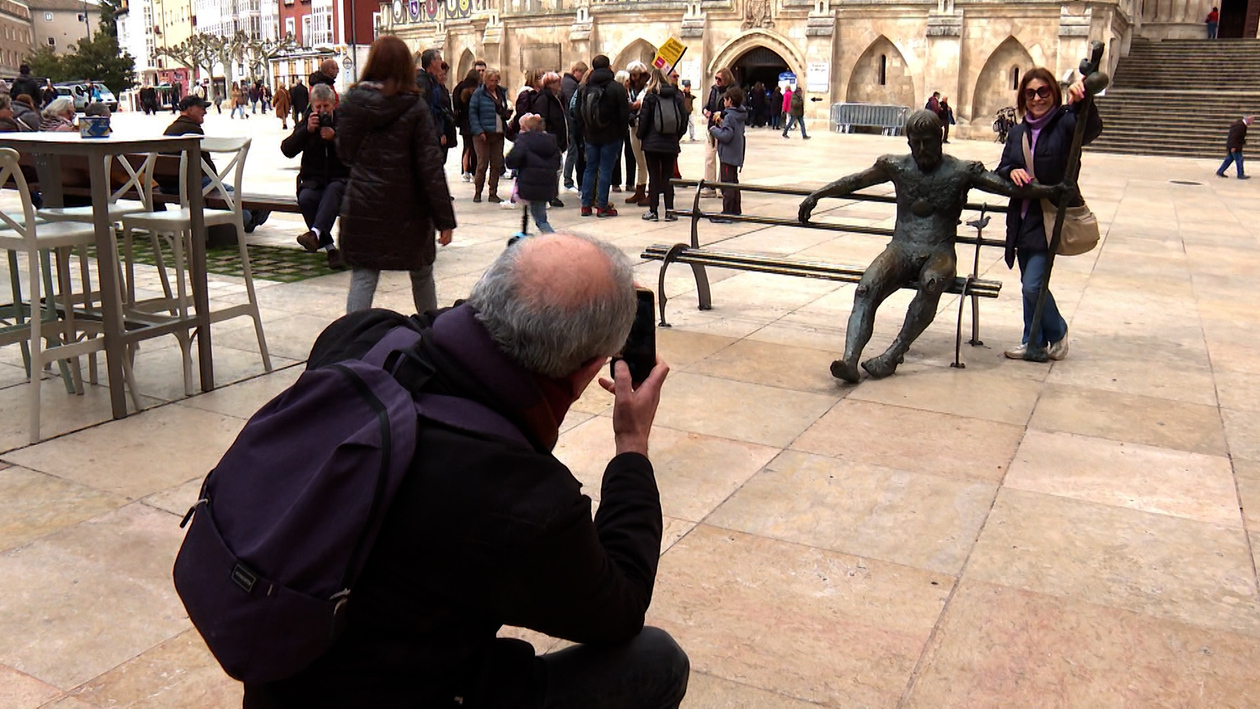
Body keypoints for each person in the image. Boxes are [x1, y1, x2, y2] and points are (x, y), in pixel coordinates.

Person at [241, 232, 687, 709]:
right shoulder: (522, 497)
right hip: (397, 695)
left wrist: (530, 295)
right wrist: (632, 444)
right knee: (656, 661)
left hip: (278, 676)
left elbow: (437, 328)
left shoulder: (357, 337)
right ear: (587, 371)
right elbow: (620, 605)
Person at [800, 109, 1065, 381]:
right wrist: (818, 194)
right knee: (866, 288)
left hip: (940, 252)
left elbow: (1006, 188)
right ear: (908, 142)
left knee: (931, 282)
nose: (922, 149)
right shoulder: (896, 166)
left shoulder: (961, 171)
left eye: (928, 142)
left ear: (940, 138)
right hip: (901, 248)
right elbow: (856, 180)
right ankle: (849, 360)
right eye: (916, 143)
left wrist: (1052, 190)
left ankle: (893, 354)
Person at [336, 35, 456, 315]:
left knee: (364, 275)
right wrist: (444, 220)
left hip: (364, 204)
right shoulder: (415, 107)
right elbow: (430, 167)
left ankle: (352, 334)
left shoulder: (353, 103)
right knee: (422, 273)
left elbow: (345, 154)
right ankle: (430, 329)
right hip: (409, 208)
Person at [995, 68, 1102, 361]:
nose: (1037, 98)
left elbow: (1089, 130)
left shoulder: (1065, 123)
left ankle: (1057, 331)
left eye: (1043, 91)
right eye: (1030, 93)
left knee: (1033, 285)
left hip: (1050, 217)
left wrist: (1084, 102)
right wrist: (1011, 170)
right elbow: (1003, 166)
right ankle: (1032, 341)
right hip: (1022, 220)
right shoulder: (1018, 132)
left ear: (1053, 93)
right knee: (1029, 285)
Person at [163, 96, 270, 233]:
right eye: (201, 108)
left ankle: (253, 215)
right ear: (190, 109)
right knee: (230, 194)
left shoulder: (170, 129)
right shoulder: (192, 130)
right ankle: (249, 218)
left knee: (230, 191)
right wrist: (215, 180)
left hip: (169, 185)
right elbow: (206, 164)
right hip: (189, 185)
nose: (205, 111)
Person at [284, 83, 350, 270]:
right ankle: (329, 248)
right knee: (306, 198)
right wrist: (306, 131)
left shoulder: (344, 121)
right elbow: (287, 150)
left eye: (326, 106)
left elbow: (355, 152)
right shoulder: (308, 122)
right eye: (318, 107)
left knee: (333, 190)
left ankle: (315, 235)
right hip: (313, 181)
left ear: (333, 104)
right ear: (312, 107)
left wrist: (335, 138)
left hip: (341, 180)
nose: (322, 111)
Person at [578, 54, 631, 218]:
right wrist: (621, 134)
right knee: (606, 170)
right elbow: (624, 114)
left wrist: (584, 131)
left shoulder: (585, 88)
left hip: (591, 135)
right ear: (609, 67)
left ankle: (586, 205)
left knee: (590, 168)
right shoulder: (616, 88)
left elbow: (578, 112)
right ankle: (602, 206)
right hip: (611, 135)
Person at [637, 68, 686, 222]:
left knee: (654, 177)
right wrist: (676, 136)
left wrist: (641, 136)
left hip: (652, 144)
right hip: (670, 143)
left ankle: (653, 211)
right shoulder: (676, 96)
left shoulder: (650, 96)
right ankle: (670, 211)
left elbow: (644, 120)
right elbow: (683, 120)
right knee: (668, 177)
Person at [505, 113, 561, 234]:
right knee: (540, 215)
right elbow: (557, 163)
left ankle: (555, 240)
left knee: (540, 220)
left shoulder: (524, 140)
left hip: (530, 184)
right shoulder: (551, 142)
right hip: (547, 184)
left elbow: (512, 160)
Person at [468, 68, 511, 203]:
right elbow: (473, 113)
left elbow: (502, 109)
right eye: (491, 80)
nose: (494, 83)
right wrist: (479, 130)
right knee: (482, 164)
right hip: (483, 134)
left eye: (496, 80)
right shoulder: (478, 94)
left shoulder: (501, 93)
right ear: (486, 80)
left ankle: (493, 192)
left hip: (498, 132)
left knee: (496, 164)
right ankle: (478, 191)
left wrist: (506, 114)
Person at [531, 71, 569, 208]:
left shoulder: (557, 97)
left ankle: (553, 194)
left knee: (557, 168)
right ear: (550, 84)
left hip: (556, 139)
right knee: (552, 168)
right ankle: (549, 195)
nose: (560, 84)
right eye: (557, 82)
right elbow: (541, 120)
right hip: (550, 139)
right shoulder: (544, 99)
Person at [710, 86, 748, 223]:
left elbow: (726, 136)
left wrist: (714, 130)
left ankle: (727, 212)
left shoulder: (729, 116)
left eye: (725, 100)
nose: (724, 102)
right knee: (734, 182)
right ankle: (736, 211)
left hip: (727, 155)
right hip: (736, 154)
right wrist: (722, 124)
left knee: (727, 185)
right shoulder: (739, 115)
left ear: (730, 101)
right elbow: (732, 130)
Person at [415, 48, 455, 159]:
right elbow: (429, 110)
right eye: (439, 59)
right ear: (433, 62)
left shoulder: (432, 81)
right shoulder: (424, 83)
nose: (441, 61)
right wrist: (439, 132)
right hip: (429, 134)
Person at [700, 69, 733, 198]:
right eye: (716, 78)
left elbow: (735, 109)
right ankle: (710, 186)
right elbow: (708, 105)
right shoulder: (714, 90)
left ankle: (721, 186)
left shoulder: (732, 91)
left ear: (727, 79)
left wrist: (721, 114)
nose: (717, 81)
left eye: (720, 79)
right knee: (709, 156)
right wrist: (705, 110)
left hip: (724, 127)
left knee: (723, 158)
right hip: (712, 128)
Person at [624, 62, 650, 207]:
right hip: (633, 125)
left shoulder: (647, 87)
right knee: (639, 159)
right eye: (632, 75)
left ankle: (649, 190)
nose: (633, 78)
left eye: (636, 75)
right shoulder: (631, 88)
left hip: (644, 125)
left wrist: (627, 104)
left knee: (646, 159)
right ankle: (640, 189)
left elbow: (638, 104)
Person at [561, 61, 587, 191]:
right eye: (582, 73)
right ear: (576, 71)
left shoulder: (568, 82)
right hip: (571, 123)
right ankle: (568, 179)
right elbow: (573, 106)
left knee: (573, 150)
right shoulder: (570, 85)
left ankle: (568, 178)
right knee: (573, 151)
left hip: (569, 123)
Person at [453, 68, 482, 182]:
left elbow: (456, 104)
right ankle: (474, 171)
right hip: (474, 120)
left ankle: (465, 171)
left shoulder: (459, 87)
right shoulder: (477, 89)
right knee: (475, 147)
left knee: (466, 146)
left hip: (463, 121)